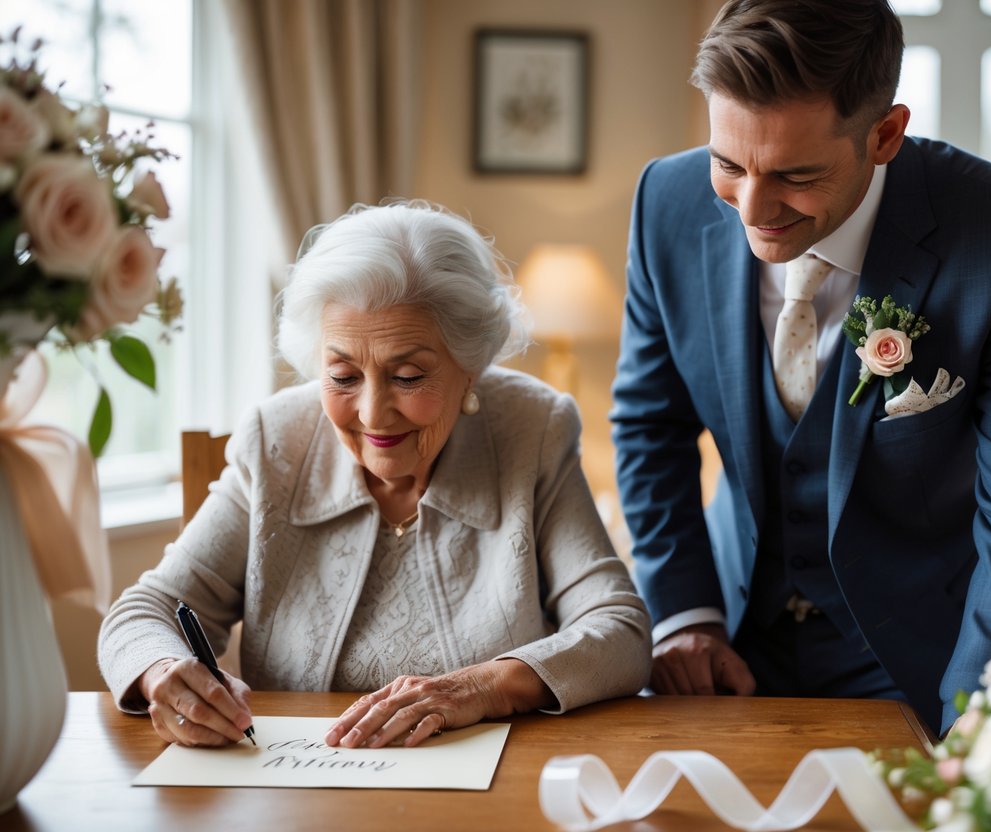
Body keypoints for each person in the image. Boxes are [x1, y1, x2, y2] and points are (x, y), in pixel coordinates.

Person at [610, 0, 991, 735]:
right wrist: (686, 616)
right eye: (727, 164)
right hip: (728, 649)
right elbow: (649, 427)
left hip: (923, 661)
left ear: (885, 135)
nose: (751, 207)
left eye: (795, 175)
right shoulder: (663, 204)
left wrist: (984, 713)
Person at [99, 200, 651, 748]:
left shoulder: (532, 430)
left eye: (408, 376)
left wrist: (482, 686)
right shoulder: (276, 441)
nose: (371, 413)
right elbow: (142, 613)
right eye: (341, 375)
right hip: (302, 795)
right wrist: (164, 670)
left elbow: (619, 631)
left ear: (471, 366)